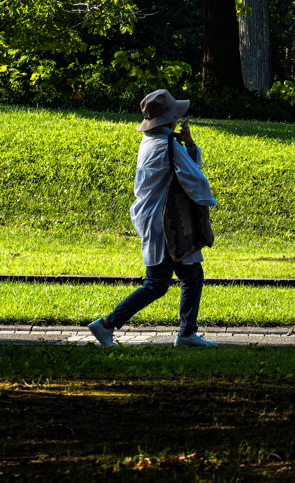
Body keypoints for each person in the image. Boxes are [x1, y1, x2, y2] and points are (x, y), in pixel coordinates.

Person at [87, 89, 218, 347]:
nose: (178, 122)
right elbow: (195, 178)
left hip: (158, 218)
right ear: (169, 119)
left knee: (192, 274)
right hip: (167, 222)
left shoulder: (151, 141)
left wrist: (188, 145)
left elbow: (182, 167)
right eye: (176, 117)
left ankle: (188, 333)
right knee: (157, 284)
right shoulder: (167, 144)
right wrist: (205, 205)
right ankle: (106, 325)